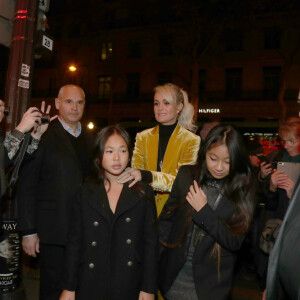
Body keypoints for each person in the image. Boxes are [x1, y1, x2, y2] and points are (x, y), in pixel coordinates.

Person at [59, 126, 158, 300]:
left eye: (122, 150)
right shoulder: (85, 192)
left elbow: (150, 245)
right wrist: (69, 286)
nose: (117, 157)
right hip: (90, 282)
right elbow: (74, 243)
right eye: (110, 151)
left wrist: (149, 288)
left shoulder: (142, 193)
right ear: (99, 157)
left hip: (129, 282)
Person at [158, 125, 255, 300]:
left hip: (209, 286)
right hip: (172, 278)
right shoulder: (187, 174)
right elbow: (165, 222)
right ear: (204, 154)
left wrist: (203, 211)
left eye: (227, 161)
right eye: (213, 158)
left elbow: (235, 241)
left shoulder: (243, 188)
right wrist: (152, 271)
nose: (219, 167)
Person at [17, 84, 93, 300]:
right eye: (69, 101)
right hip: (52, 233)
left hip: (85, 231)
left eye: (79, 102)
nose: (75, 107)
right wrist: (29, 231)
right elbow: (27, 184)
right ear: (58, 104)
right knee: (53, 291)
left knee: (80, 289)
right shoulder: (43, 134)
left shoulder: (91, 138)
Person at [118, 83, 200, 216]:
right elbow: (135, 175)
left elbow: (180, 183)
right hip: (144, 208)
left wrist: (147, 176)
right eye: (156, 103)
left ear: (179, 107)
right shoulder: (142, 136)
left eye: (166, 103)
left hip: (173, 211)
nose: (160, 108)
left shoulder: (191, 140)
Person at [256, 118, 300, 290]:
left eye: (292, 141)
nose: (286, 145)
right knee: (270, 277)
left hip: (295, 232)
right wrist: (270, 185)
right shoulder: (276, 157)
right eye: (284, 141)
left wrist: (294, 195)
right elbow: (266, 201)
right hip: (274, 228)